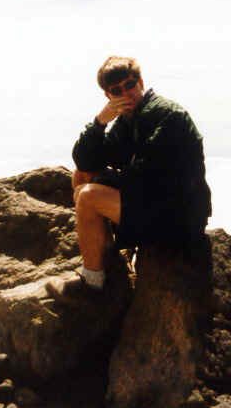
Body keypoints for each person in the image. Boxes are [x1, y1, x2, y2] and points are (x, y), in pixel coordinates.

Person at [67, 55, 212, 291]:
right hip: (155, 203)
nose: (127, 93)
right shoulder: (129, 120)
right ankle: (107, 261)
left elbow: (148, 177)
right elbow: (85, 160)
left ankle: (93, 284)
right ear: (108, 96)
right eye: (117, 90)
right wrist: (100, 122)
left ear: (141, 82)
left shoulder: (167, 115)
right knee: (81, 176)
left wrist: (99, 185)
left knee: (88, 196)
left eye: (130, 84)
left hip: (179, 216)